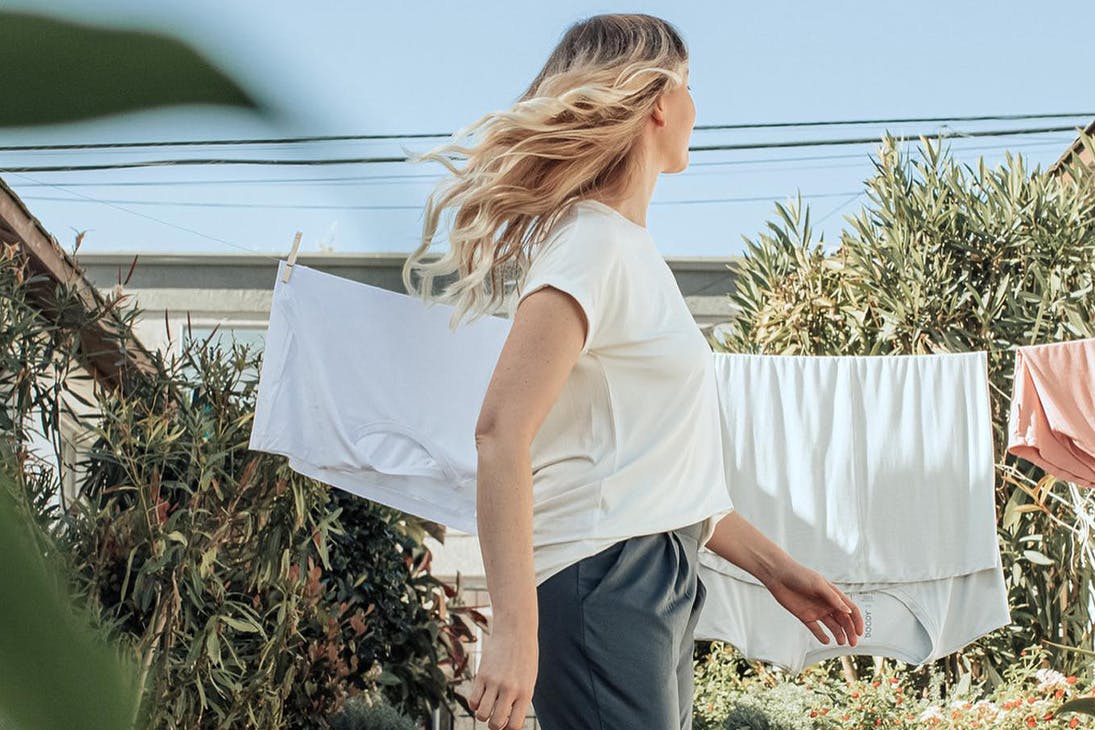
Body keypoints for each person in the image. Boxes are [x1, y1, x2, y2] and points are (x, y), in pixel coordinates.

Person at [401, 13, 865, 730]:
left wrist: (775, 569)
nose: (695, 109)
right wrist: (514, 631)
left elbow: (663, 477)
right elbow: (499, 433)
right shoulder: (590, 243)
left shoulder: (627, 251)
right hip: (603, 573)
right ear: (656, 100)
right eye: (688, 87)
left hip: (657, 571)